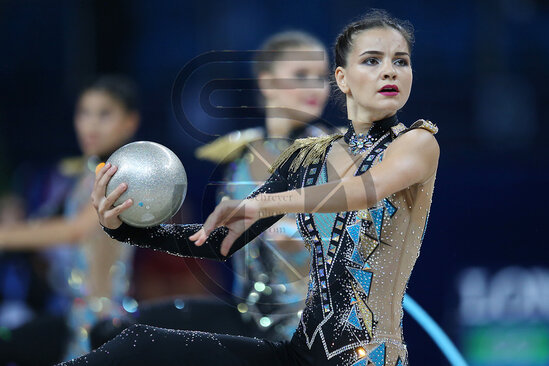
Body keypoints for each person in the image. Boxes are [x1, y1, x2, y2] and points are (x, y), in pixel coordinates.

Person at [64, 9, 439, 366]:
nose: (389, 71)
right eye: (372, 60)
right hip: (297, 354)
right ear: (342, 78)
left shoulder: (416, 143)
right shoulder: (305, 158)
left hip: (366, 358)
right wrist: (125, 228)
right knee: (138, 342)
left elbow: (367, 190)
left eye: (401, 61)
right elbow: (220, 240)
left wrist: (264, 204)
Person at [0, 75, 140, 363]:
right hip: (78, 316)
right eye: (84, 113)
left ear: (130, 122)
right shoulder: (90, 172)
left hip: (106, 320)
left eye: (104, 114)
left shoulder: (122, 174)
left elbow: (77, 229)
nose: (90, 124)